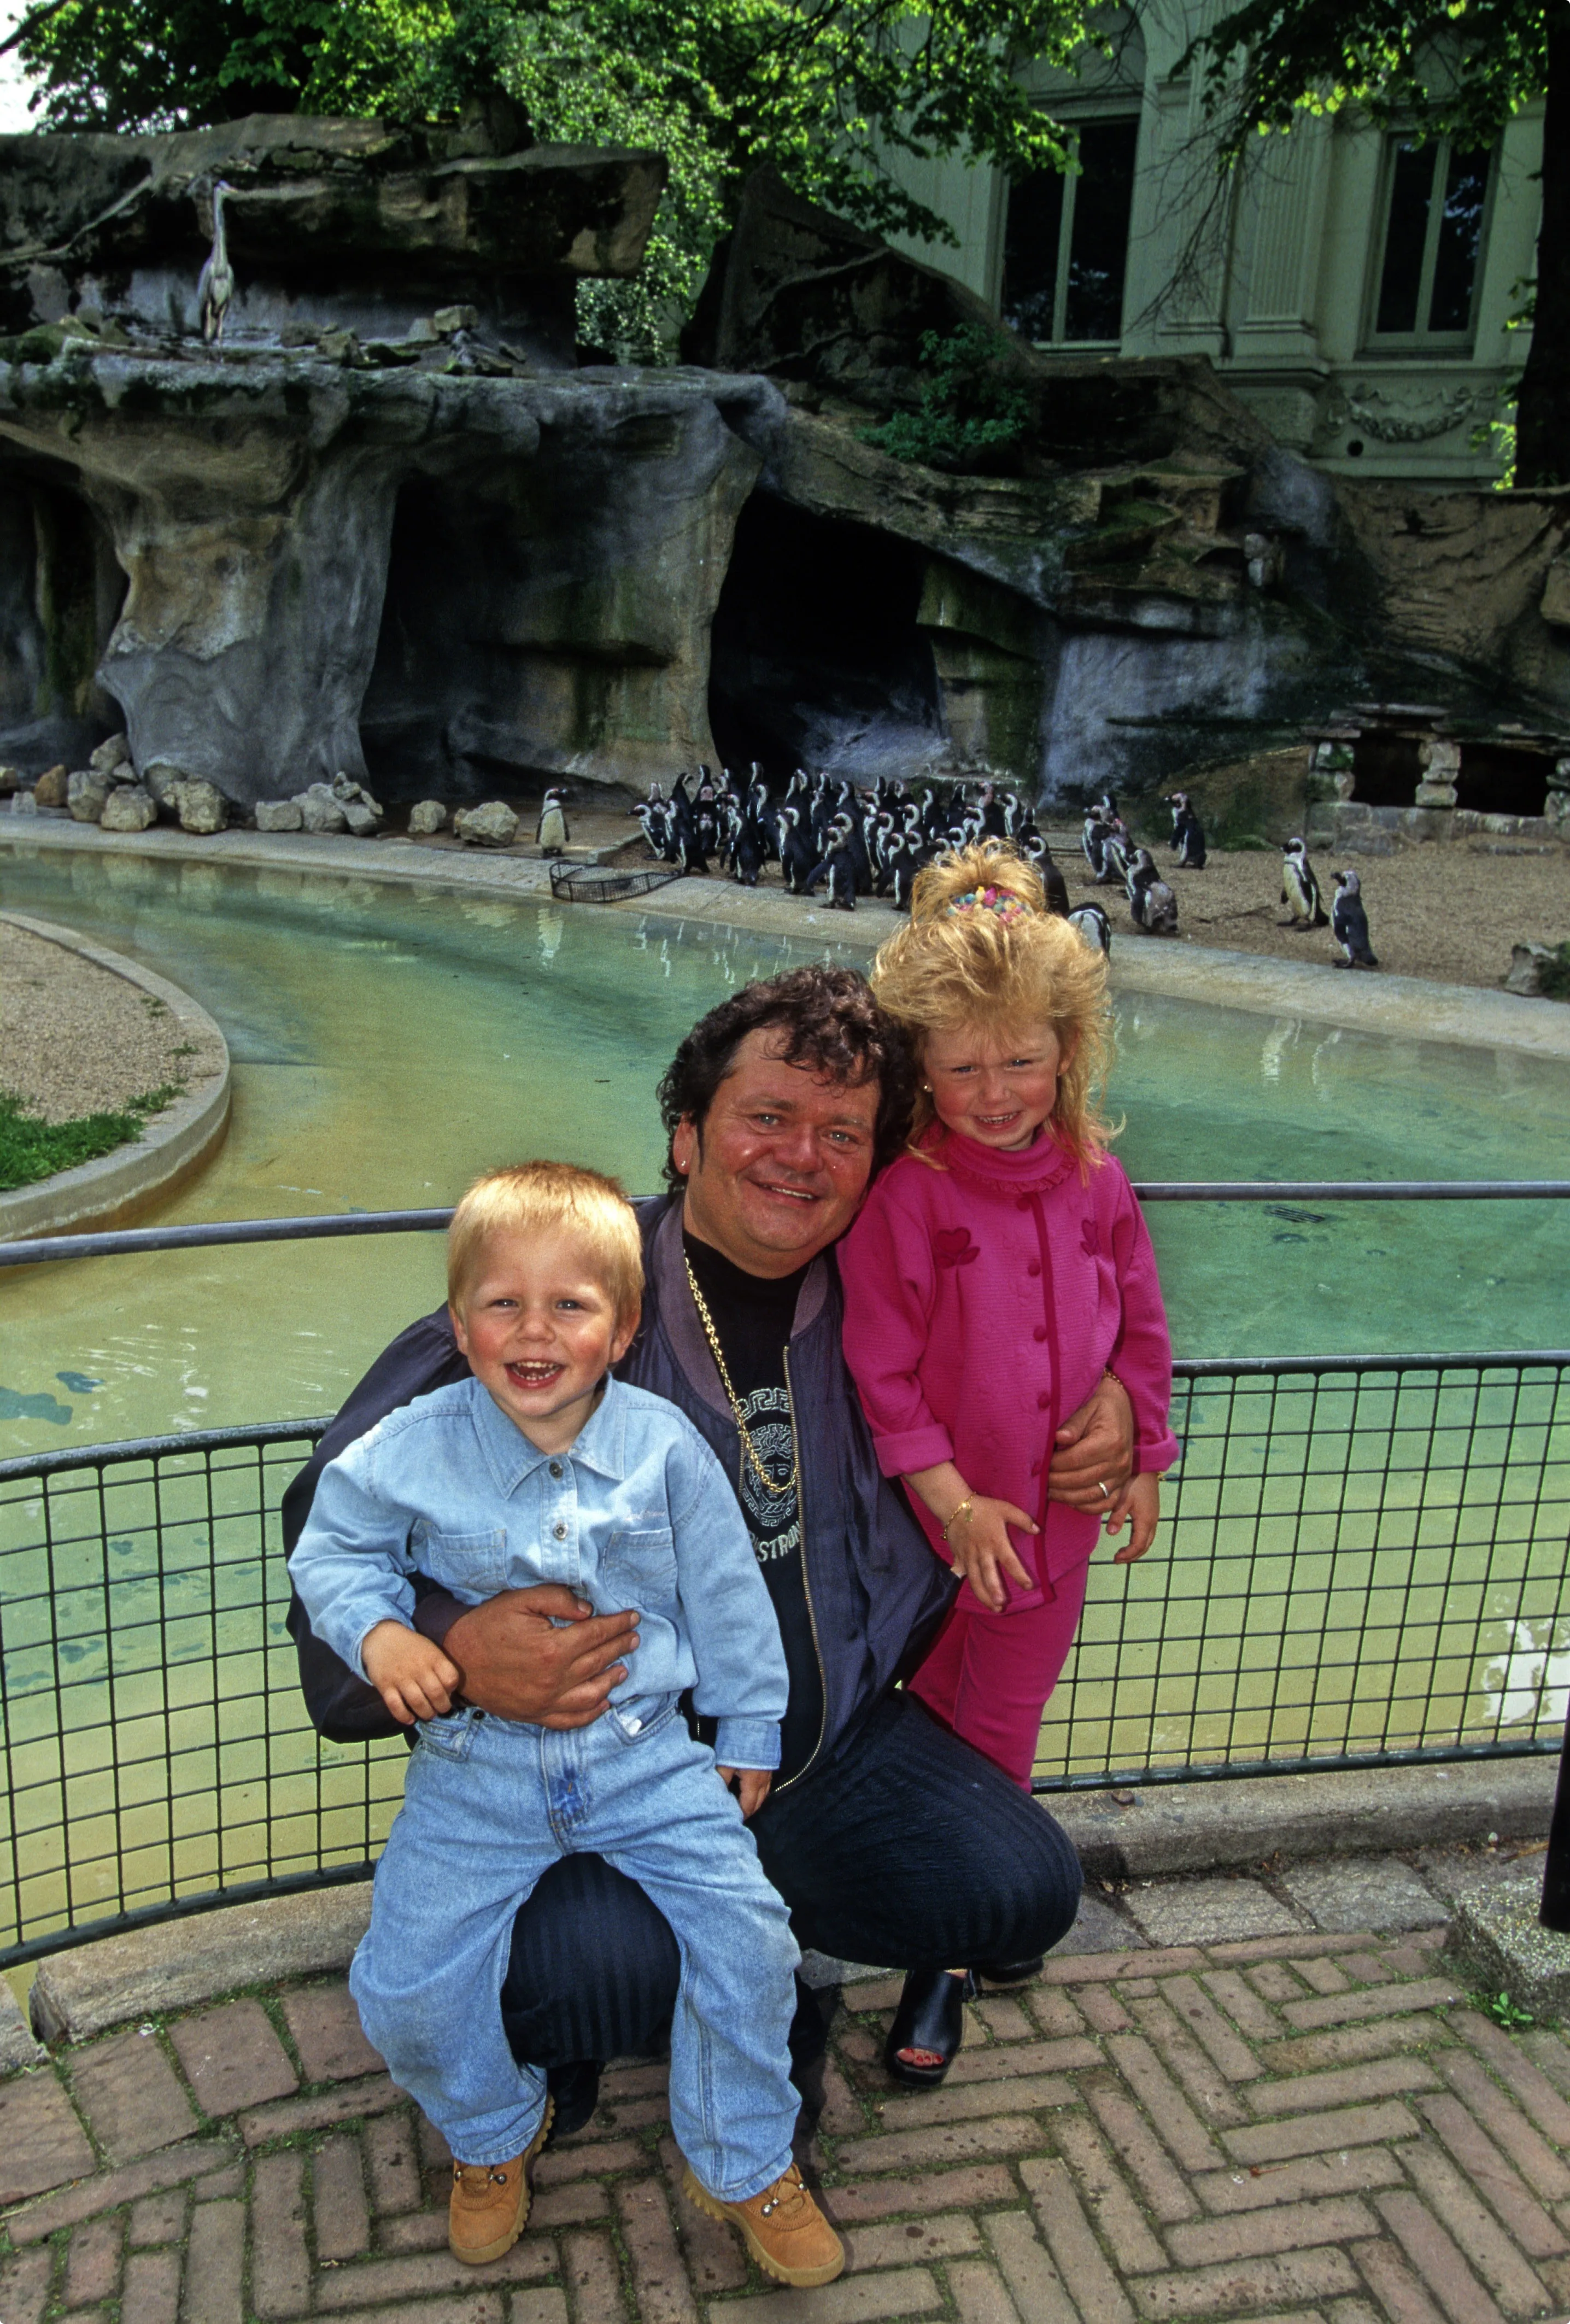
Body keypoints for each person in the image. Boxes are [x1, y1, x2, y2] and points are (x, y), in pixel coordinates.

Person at [285, 967, 1137, 2122]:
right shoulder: (568, 1302)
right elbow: (329, 1521)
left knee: (1019, 1887)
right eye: (766, 1117)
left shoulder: (889, 1300)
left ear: (877, 1165)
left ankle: (755, 1947)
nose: (801, 1155)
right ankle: (638, 1997)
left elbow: (1053, 1321)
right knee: (590, 1977)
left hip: (823, 1751)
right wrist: (452, 1647)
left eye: (842, 1132)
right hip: (608, 1769)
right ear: (685, 1137)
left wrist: (1120, 1406)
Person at [290, 1162, 843, 2286]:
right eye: (502, 1303)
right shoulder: (408, 1443)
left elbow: (730, 1591)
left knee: (752, 1939)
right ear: (459, 1321)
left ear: (623, 1324)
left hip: (647, 1760)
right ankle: (493, 2132)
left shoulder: (664, 1448)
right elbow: (330, 1550)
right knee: (400, 1985)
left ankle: (740, 2157)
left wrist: (748, 1725)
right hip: (474, 1772)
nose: (532, 1331)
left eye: (569, 1305)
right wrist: (389, 1637)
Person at [838, 844, 1178, 2084]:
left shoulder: (1096, 1176)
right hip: (932, 1538)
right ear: (918, 1062)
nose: (995, 1091)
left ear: (1066, 1052)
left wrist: (1142, 1441)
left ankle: (950, 1951)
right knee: (925, 1716)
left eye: (1021, 1061)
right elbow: (877, 1372)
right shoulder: (907, 1195)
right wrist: (948, 1498)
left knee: (1002, 1723)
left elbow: (1140, 1322)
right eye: (965, 1064)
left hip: (1058, 1531)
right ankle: (946, 1903)